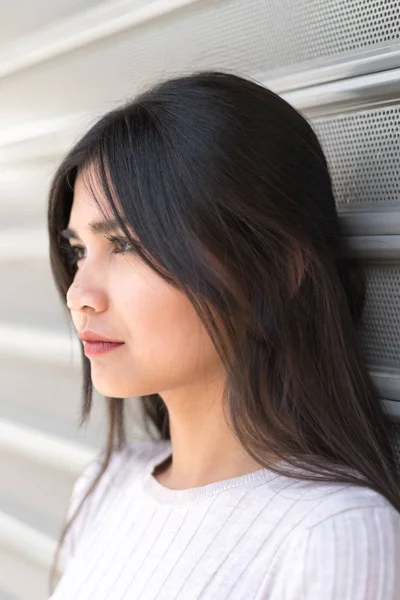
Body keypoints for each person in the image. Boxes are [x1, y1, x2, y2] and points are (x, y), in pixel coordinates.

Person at [47, 70, 400, 599]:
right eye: (79, 252)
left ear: (277, 267)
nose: (79, 295)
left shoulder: (333, 535)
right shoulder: (105, 487)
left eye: (124, 245)